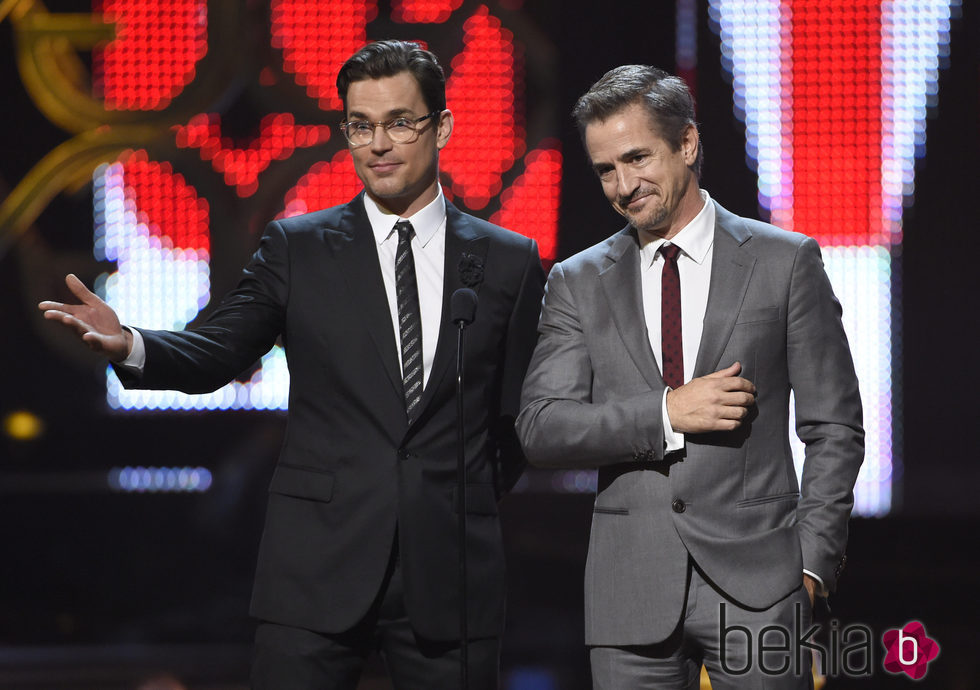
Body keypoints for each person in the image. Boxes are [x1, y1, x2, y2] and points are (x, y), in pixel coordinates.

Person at [39, 40, 544, 690]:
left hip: (451, 574)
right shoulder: (297, 248)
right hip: (318, 570)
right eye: (361, 125)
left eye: (399, 122)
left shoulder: (508, 261)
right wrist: (132, 344)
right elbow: (219, 349)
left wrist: (453, 492)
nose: (379, 144)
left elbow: (516, 420)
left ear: (441, 127)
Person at [516, 65, 864, 689]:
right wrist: (666, 413)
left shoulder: (784, 262)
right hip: (629, 594)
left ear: (687, 144)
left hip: (762, 590)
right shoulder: (576, 280)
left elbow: (834, 425)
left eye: (637, 158)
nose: (623, 186)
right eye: (604, 170)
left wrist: (812, 564)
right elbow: (542, 428)